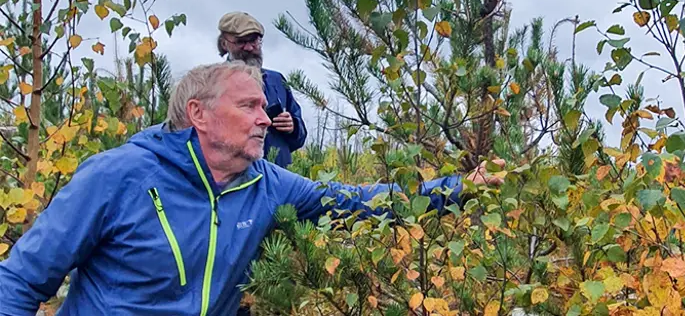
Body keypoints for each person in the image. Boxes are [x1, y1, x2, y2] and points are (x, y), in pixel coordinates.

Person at [0, 62, 503, 315]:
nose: (266, 118)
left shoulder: (268, 184)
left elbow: (358, 203)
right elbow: (19, 283)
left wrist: (462, 188)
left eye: (264, 107)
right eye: (249, 107)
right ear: (198, 114)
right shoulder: (116, 176)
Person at [217, 11, 306, 168]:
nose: (250, 47)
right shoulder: (214, 83)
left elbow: (299, 138)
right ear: (225, 43)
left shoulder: (276, 81)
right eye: (241, 42)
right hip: (237, 178)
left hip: (280, 177)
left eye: (255, 41)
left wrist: (293, 127)